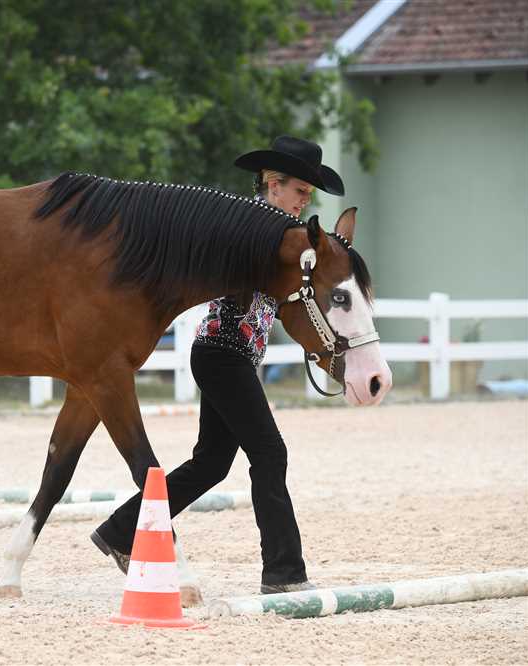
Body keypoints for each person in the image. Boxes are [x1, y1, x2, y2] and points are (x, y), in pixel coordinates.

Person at [90, 135, 345, 594]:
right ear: (273, 184)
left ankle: (121, 529)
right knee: (270, 453)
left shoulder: (283, 236)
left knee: (210, 464)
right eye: (300, 191)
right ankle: (284, 572)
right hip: (223, 354)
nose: (304, 201)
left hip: (229, 356)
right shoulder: (245, 227)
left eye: (308, 194)